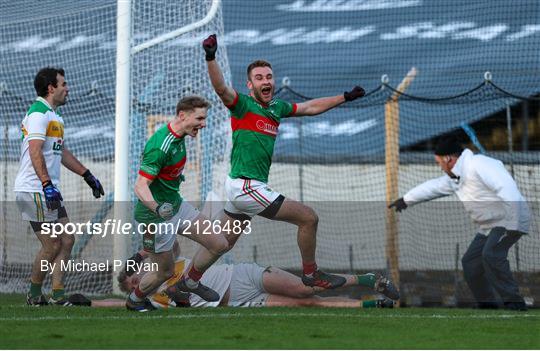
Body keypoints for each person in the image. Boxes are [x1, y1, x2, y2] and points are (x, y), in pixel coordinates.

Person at [199, 34, 367, 290]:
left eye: (268, 77)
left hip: (241, 188)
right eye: (259, 78)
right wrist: (210, 56)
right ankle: (311, 274)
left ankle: (186, 282)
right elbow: (221, 88)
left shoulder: (276, 107)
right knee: (308, 218)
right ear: (249, 85)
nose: (266, 81)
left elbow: (310, 108)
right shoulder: (242, 105)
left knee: (221, 243)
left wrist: (344, 97)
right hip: (247, 187)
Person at [389, 136, 530, 311]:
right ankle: (488, 305)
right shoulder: (456, 178)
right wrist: (406, 199)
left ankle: (514, 303)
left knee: (491, 254)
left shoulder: (479, 164)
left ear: (448, 159)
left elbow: (506, 187)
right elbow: (434, 187)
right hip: (490, 226)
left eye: (439, 162)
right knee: (470, 263)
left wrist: (513, 222)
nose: (439, 166)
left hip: (508, 219)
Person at [127, 95, 232, 312]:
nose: (203, 124)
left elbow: (167, 176)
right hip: (154, 218)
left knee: (219, 243)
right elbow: (139, 186)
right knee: (164, 273)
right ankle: (135, 300)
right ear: (182, 116)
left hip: (176, 206)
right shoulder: (161, 145)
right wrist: (157, 208)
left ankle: (189, 283)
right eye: (200, 118)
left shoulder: (179, 137)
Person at [69, 243, 399, 309]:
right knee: (306, 304)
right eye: (131, 286)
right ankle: (369, 306)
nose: (135, 283)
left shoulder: (166, 268)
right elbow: (117, 304)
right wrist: (89, 303)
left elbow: (173, 244)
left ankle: (367, 279)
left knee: (302, 287)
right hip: (239, 302)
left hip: (243, 277)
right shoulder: (151, 299)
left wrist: (143, 253)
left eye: (134, 276)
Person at [14, 67, 104, 306]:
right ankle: (34, 294)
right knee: (52, 243)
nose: (68, 88)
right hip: (34, 189)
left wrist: (87, 175)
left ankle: (58, 294)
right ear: (51, 88)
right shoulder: (38, 113)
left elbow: (60, 151)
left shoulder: (56, 117)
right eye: (64, 84)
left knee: (67, 240)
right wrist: (46, 184)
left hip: (46, 189)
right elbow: (34, 150)